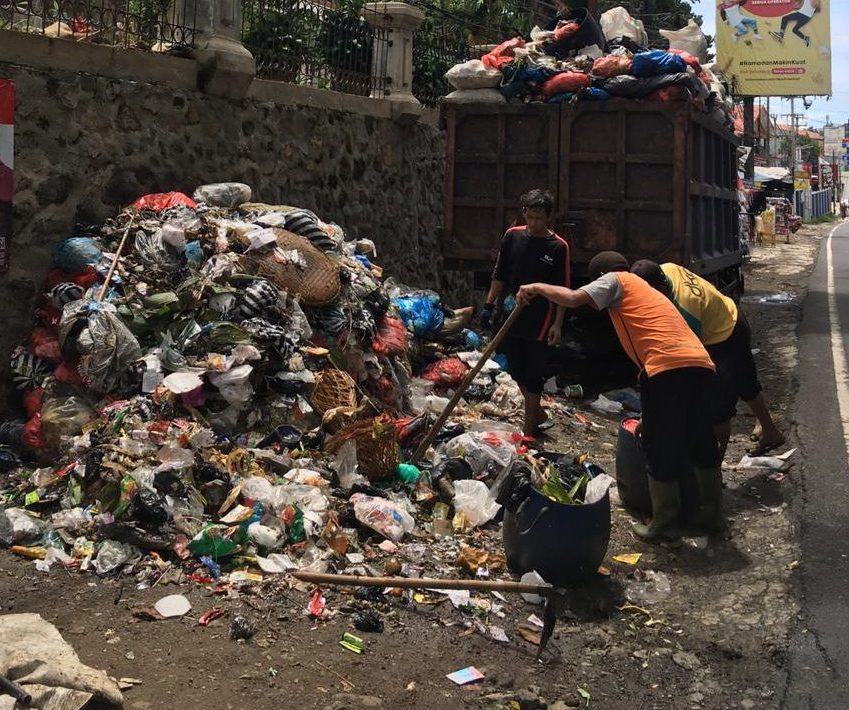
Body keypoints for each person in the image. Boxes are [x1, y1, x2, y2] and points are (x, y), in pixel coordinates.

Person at [517, 251, 723, 543]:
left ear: (601, 277)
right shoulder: (648, 294)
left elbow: (574, 298)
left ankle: (664, 523)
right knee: (700, 438)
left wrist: (535, 287)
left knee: (658, 444)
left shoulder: (617, 280)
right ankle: (713, 515)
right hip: (700, 364)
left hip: (667, 368)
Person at [630, 260, 784, 459]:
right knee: (745, 382)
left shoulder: (685, 310)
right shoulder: (668, 268)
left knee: (719, 406)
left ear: (659, 288)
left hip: (726, 335)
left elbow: (687, 362)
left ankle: (714, 468)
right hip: (725, 314)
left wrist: (654, 411)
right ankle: (769, 430)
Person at [480, 189, 570, 438]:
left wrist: (557, 324)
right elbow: (500, 274)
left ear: (549, 217)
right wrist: (488, 305)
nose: (534, 223)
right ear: (524, 214)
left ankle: (528, 434)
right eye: (530, 217)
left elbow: (564, 289)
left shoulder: (558, 247)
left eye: (539, 218)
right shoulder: (512, 237)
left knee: (533, 374)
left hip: (540, 320)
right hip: (509, 314)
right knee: (513, 367)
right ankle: (537, 413)